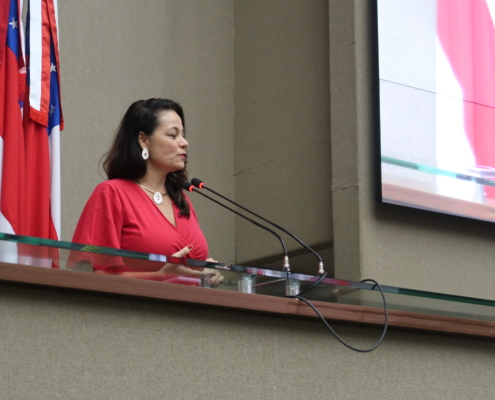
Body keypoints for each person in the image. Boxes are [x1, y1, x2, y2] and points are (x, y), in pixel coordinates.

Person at [71, 98, 223, 286]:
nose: (185, 143)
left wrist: (205, 274)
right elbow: (95, 277)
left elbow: (187, 276)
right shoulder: (112, 193)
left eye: (183, 135)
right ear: (143, 140)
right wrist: (161, 276)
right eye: (173, 135)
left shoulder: (181, 199)